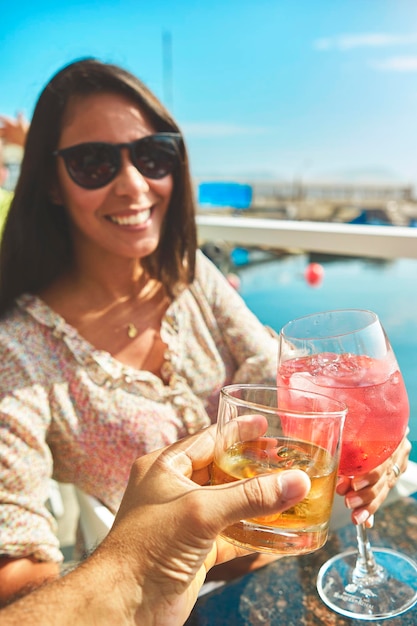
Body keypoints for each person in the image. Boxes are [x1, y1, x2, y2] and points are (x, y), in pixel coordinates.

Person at [0, 57, 410, 603]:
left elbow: (281, 380)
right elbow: (15, 574)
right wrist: (134, 574)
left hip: (300, 552)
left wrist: (367, 448)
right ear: (50, 183)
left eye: (153, 155)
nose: (134, 184)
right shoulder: (20, 351)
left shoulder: (190, 275)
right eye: (93, 162)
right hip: (183, 603)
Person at [0, 425, 312, 625]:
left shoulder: (199, 317)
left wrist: (352, 454)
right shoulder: (19, 352)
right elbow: (13, 567)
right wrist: (128, 586)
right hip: (205, 586)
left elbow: (290, 406)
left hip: (271, 556)